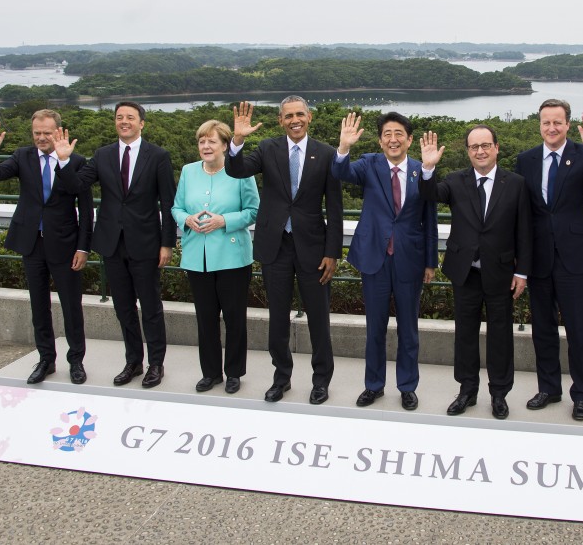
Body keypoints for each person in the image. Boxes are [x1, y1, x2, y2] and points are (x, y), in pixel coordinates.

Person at [226, 97, 343, 405]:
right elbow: (236, 169)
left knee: (319, 319)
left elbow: (335, 207)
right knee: (277, 318)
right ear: (280, 120)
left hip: (314, 250)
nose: (295, 120)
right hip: (274, 247)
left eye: (300, 114)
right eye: (288, 115)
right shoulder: (267, 149)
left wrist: (332, 252)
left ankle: (321, 381)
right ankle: (282, 378)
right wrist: (237, 139)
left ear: (310, 117)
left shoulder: (327, 153)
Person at [53, 101, 176, 389]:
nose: (124, 122)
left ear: (141, 123)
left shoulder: (158, 155)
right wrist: (63, 161)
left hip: (146, 243)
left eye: (130, 117)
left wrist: (167, 243)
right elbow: (76, 186)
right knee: (123, 307)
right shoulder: (103, 155)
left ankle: (156, 364)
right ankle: (133, 361)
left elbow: (168, 202)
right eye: (119, 117)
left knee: (151, 307)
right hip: (111, 244)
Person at [419, 126, 532, 420]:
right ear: (467, 151)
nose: (480, 151)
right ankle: (467, 390)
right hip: (465, 272)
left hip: (501, 273)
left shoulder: (516, 183)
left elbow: (525, 232)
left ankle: (499, 394)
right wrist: (428, 168)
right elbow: (429, 194)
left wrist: (522, 272)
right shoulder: (456, 181)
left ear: (496, 147)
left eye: (485, 145)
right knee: (465, 335)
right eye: (474, 147)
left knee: (500, 335)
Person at [514, 99, 583, 422]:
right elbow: (523, 213)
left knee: (578, 332)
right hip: (540, 259)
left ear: (568, 125)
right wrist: (521, 264)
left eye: (557, 122)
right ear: (539, 125)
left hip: (576, 258)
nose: (551, 128)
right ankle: (549, 388)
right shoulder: (526, 160)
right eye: (546, 123)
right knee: (542, 329)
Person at [332, 111, 438, 411]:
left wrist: (430, 262)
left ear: (409, 139)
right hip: (374, 259)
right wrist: (343, 148)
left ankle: (407, 387)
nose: (393, 139)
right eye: (387, 134)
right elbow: (341, 173)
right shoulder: (369, 164)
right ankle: (373, 386)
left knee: (409, 329)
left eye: (399, 134)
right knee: (375, 327)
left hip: (410, 260)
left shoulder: (423, 170)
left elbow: (429, 220)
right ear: (380, 140)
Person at [0, 110, 93, 385]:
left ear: (58, 131)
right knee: (38, 304)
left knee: (71, 306)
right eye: (37, 133)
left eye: (47, 133)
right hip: (31, 243)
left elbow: (87, 210)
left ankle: (76, 361)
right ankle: (46, 359)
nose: (42, 138)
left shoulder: (76, 161)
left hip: (66, 245)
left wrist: (83, 248)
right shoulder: (22, 156)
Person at [172, 120, 260, 394]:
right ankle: (210, 373)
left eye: (212, 141)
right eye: (202, 141)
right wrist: (187, 218)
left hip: (233, 257)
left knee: (234, 318)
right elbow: (176, 207)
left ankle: (233, 372)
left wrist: (225, 220)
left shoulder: (241, 172)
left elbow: (254, 210)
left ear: (224, 145)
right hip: (198, 258)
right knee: (205, 319)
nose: (206, 146)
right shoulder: (188, 171)